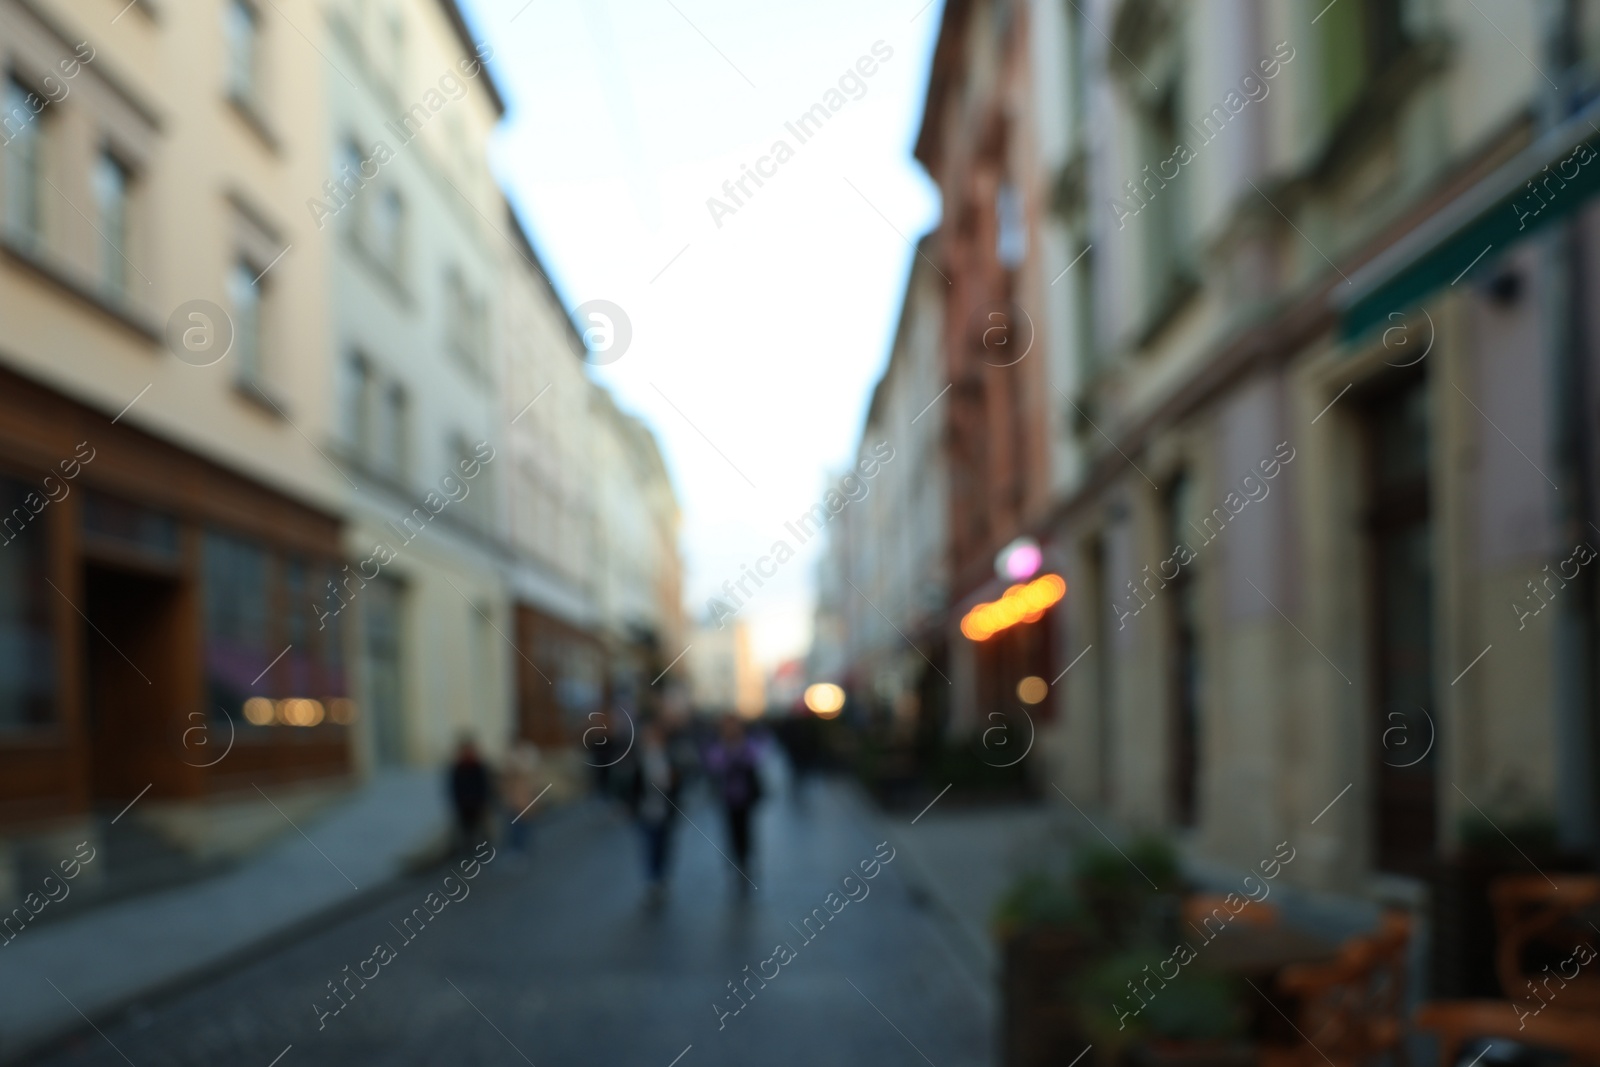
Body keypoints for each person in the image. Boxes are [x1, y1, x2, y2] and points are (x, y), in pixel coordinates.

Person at [623, 717, 681, 901]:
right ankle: (652, 880)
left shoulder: (669, 756)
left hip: (665, 810)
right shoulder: (638, 759)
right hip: (646, 810)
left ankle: (661, 876)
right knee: (649, 845)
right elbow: (632, 785)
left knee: (663, 846)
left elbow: (677, 783)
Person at [704, 716, 763, 892]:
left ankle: (745, 862)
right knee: (731, 830)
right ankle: (736, 862)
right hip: (727, 797)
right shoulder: (719, 746)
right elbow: (713, 764)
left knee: (745, 830)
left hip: (745, 796)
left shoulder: (747, 744)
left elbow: (756, 759)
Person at [448, 736, 492, 854]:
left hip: (477, 804)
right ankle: (467, 852)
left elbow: (484, 786)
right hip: (464, 805)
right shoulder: (458, 768)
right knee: (466, 831)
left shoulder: (478, 767)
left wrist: (483, 801)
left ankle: (481, 851)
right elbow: (454, 787)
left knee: (480, 830)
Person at [501, 739, 543, 857]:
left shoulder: (527, 770)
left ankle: (523, 849)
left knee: (525, 825)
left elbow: (533, 784)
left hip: (525, 800)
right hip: (515, 802)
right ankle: (518, 849)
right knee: (515, 825)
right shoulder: (513, 773)